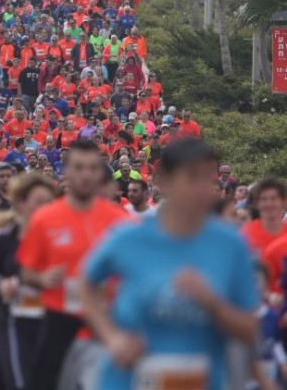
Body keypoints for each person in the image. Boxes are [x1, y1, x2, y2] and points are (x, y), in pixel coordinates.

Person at [79, 138, 258, 390]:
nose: (202, 189)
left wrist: (212, 303)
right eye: (191, 178)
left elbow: (250, 331)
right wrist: (111, 338)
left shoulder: (231, 244)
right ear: (164, 182)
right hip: (126, 380)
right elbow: (85, 283)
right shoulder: (128, 237)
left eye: (207, 179)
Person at [17, 140, 127, 390]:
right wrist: (42, 279)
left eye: (91, 168)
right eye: (78, 167)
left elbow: (134, 274)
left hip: (104, 324)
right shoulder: (44, 219)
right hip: (58, 321)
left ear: (100, 173)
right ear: (66, 171)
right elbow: (26, 272)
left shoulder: (120, 222)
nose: (85, 175)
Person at [0, 174, 57, 390]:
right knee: (21, 383)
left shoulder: (59, 239)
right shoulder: (5, 240)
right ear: (23, 203)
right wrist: (1, 285)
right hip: (13, 322)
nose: (44, 208)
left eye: (48, 203)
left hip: (51, 322)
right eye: (39, 202)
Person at [242, 178, 287, 254]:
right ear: (255, 203)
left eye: (274, 198)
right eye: (263, 199)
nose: (269, 204)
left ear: (284, 201)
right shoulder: (245, 234)